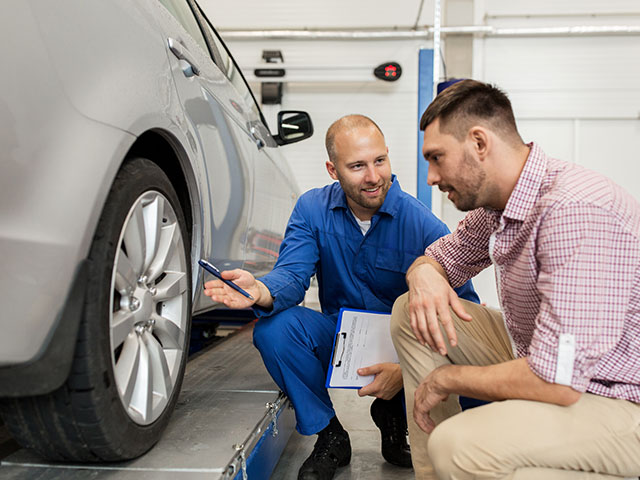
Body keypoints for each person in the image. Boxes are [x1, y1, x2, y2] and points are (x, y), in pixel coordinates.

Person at [204, 114, 479, 480]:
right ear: (333, 170)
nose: (373, 176)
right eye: (357, 166)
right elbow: (293, 273)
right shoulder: (312, 210)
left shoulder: (422, 223)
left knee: (448, 365)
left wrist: (406, 369)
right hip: (341, 336)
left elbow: (465, 311)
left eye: (380, 160)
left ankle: (394, 417)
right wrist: (262, 290)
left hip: (403, 348)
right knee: (275, 330)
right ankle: (330, 433)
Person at [390, 79, 640, 479]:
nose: (431, 177)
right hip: (551, 365)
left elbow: (558, 381)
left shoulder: (573, 211)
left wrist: (448, 378)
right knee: (412, 310)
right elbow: (440, 258)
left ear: (479, 143)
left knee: (460, 447)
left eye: (437, 158)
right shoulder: (500, 204)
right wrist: (423, 275)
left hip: (619, 401)